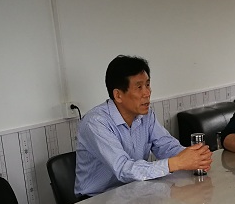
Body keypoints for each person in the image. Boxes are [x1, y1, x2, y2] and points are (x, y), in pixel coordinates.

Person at [75, 55, 212, 196]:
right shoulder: (96, 122)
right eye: (139, 87)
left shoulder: (146, 115)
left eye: (147, 84)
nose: (147, 93)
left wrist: (195, 156)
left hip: (135, 191)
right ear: (118, 95)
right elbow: (123, 169)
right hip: (97, 199)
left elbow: (166, 146)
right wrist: (177, 163)